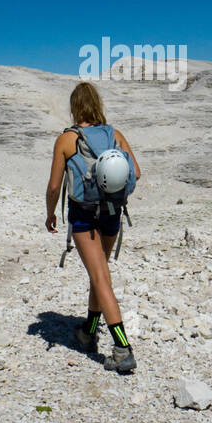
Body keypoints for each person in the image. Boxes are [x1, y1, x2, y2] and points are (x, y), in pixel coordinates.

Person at [45, 82, 140, 374]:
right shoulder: (115, 135)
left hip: (84, 217)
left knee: (99, 277)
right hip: (112, 213)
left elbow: (53, 186)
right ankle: (88, 332)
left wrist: (50, 213)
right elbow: (135, 172)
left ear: (74, 107)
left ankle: (122, 349)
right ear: (97, 104)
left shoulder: (67, 140)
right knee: (99, 275)